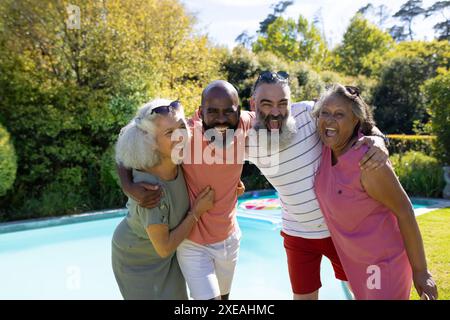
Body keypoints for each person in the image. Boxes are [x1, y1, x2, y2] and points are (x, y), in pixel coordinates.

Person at [246, 71, 390, 300]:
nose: (276, 112)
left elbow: (355, 113)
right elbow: (204, 135)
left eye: (283, 103)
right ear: (253, 104)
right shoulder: (245, 137)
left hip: (339, 230)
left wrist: (380, 139)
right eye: (266, 104)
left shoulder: (308, 113)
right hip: (297, 234)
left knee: (363, 293)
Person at [118, 81, 254, 300]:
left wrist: (231, 182)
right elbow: (128, 146)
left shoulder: (194, 136)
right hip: (167, 249)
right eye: (213, 112)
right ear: (201, 113)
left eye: (228, 112)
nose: (221, 119)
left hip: (218, 240)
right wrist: (128, 186)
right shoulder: (154, 182)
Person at [312, 84, 438, 300]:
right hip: (357, 268)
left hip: (383, 266)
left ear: (355, 121)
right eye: (325, 112)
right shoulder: (325, 148)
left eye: (340, 114)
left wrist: (421, 271)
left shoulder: (367, 159)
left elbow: (405, 211)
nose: (330, 120)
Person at [112, 98, 215, 300]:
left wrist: (228, 187)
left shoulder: (177, 155)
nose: (180, 135)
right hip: (138, 259)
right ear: (150, 142)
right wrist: (197, 211)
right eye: (169, 133)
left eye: (181, 126)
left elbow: (125, 132)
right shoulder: (150, 192)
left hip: (170, 256)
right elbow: (164, 247)